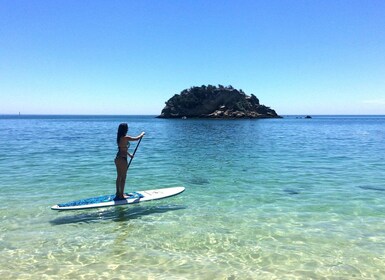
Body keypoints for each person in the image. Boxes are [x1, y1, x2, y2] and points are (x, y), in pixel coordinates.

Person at [115, 123, 145, 200]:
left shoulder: (119, 138)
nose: (128, 129)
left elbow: (122, 148)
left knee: (119, 176)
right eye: (127, 128)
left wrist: (129, 155)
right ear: (125, 129)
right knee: (123, 177)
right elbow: (136, 139)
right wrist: (142, 134)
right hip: (122, 159)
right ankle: (121, 195)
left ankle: (118, 193)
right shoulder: (125, 137)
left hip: (118, 158)